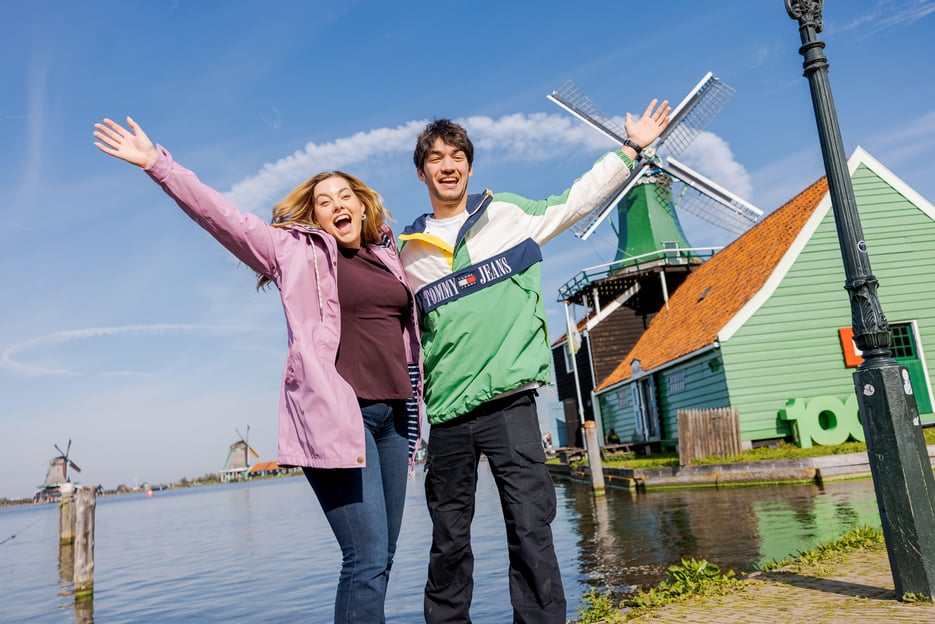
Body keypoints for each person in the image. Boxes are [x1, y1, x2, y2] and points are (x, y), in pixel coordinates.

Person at [93, 117, 422, 624]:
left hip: (395, 420)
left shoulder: (388, 257)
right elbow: (220, 216)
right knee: (366, 559)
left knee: (382, 561)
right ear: (314, 217)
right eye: (324, 201)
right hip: (339, 418)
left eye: (344, 196)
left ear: (362, 203)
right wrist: (159, 166)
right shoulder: (293, 252)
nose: (337, 205)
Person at [399, 98, 670, 623]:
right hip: (450, 416)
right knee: (449, 543)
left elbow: (576, 201)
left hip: (511, 406)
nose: (448, 165)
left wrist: (631, 150)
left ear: (470, 167)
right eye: (436, 158)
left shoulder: (510, 216)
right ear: (421, 171)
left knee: (531, 531)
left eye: (457, 155)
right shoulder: (408, 253)